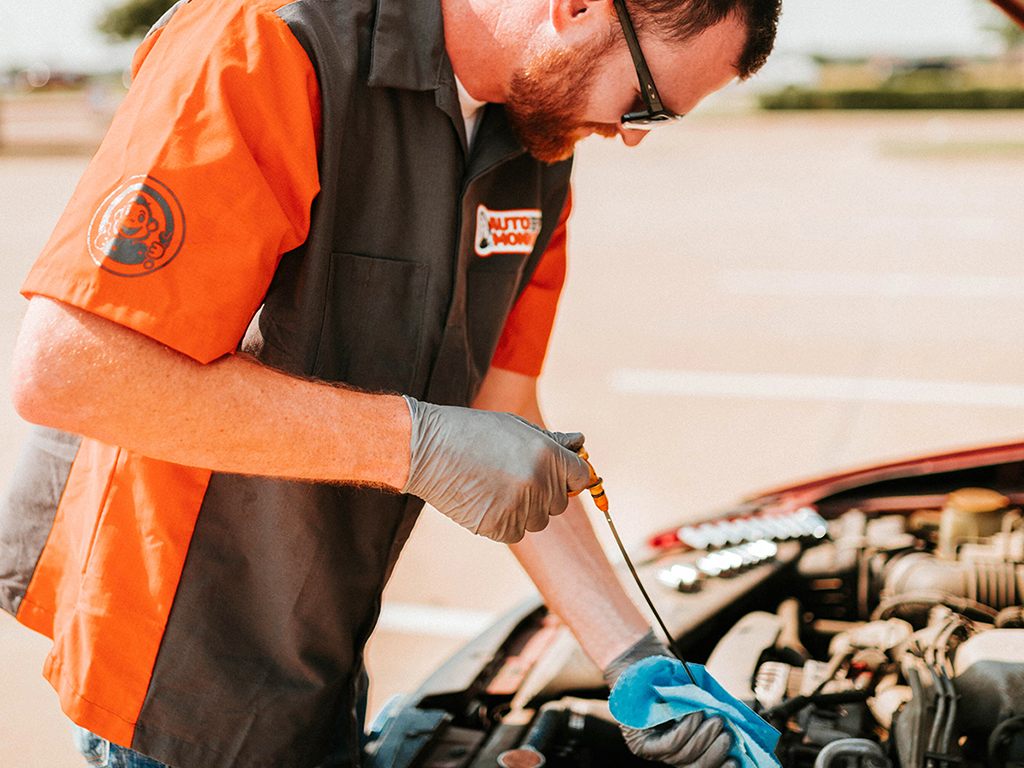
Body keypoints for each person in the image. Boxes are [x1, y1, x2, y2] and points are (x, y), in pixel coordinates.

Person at [1, 0, 779, 765]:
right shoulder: (267, 40)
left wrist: (635, 660)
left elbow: (500, 406)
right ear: (578, 8)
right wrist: (419, 444)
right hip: (174, 669)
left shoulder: (536, 148)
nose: (631, 137)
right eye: (647, 104)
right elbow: (72, 369)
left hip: (322, 656)